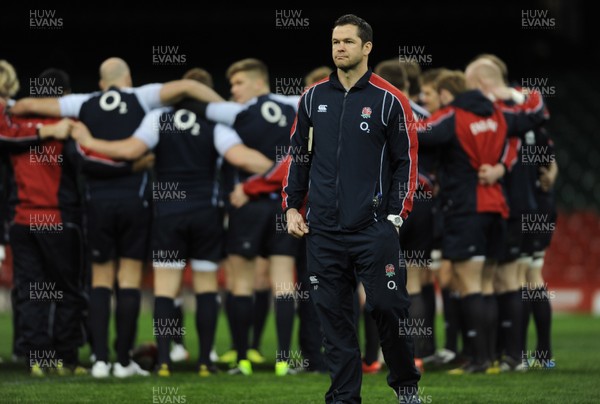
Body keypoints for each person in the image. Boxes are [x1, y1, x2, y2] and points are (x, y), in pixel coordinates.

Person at [11, 57, 223, 378]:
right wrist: (229, 113)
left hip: (97, 204)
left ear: (101, 83)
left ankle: (99, 361)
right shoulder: (143, 96)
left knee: (100, 281)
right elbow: (191, 86)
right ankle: (123, 362)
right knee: (128, 281)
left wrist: (10, 105)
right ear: (128, 79)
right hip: (134, 204)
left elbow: (25, 105)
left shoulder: (82, 102)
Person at [282, 14, 421, 403]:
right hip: (322, 230)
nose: (339, 47)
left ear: (366, 48)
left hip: (373, 227)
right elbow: (299, 157)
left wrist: (395, 216)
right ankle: (344, 397)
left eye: (347, 41)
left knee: (388, 308)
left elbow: (406, 163)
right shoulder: (312, 97)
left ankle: (406, 386)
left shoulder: (390, 99)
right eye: (334, 41)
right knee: (334, 320)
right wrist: (292, 207)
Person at [178, 58, 299, 376]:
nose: (233, 90)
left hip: (247, 204)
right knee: (284, 283)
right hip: (286, 205)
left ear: (259, 82)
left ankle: (243, 359)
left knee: (241, 282)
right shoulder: (294, 107)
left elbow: (191, 100)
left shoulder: (236, 112)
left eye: (239, 83)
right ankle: (284, 361)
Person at [0, 60, 85, 376]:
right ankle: (65, 359)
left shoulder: (16, 127)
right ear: (64, 95)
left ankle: (37, 359)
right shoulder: (69, 123)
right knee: (69, 291)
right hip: (59, 220)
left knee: (33, 291)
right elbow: (82, 171)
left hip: (23, 221)